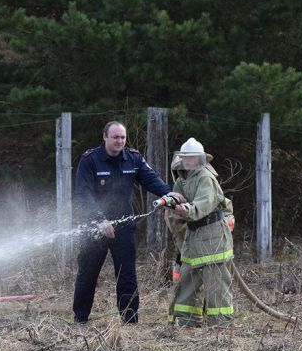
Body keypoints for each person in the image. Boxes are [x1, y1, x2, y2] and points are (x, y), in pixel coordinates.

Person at [73, 121, 185, 324]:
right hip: (95, 227)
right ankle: (80, 318)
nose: (119, 141)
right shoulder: (90, 160)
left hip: (123, 226)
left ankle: (130, 319)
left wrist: (168, 194)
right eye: (115, 137)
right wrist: (100, 220)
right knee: (87, 273)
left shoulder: (132, 158)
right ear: (105, 137)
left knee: (127, 274)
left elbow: (151, 179)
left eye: (123, 137)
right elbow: (83, 195)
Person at [165, 137, 235, 328]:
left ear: (200, 159)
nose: (188, 161)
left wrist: (187, 209)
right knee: (186, 280)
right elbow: (176, 213)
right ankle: (187, 322)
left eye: (192, 158)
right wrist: (172, 203)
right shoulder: (181, 180)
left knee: (216, 286)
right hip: (193, 236)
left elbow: (204, 203)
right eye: (185, 157)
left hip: (213, 235)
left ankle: (220, 327)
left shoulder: (206, 178)